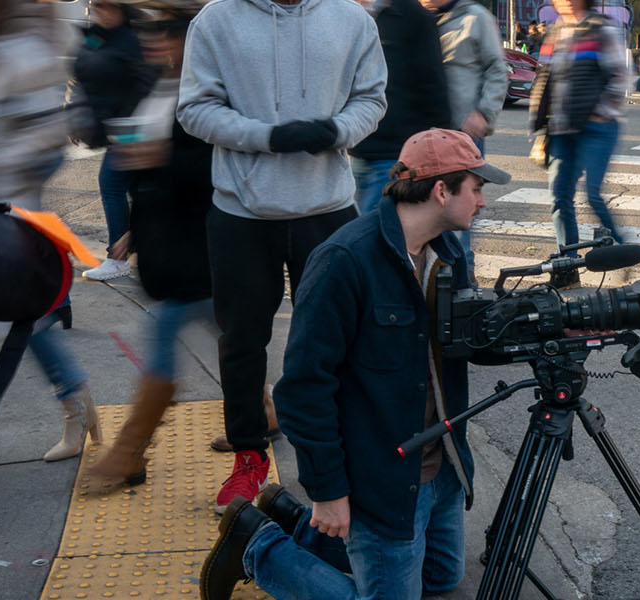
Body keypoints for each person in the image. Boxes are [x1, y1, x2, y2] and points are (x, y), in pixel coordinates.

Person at [199, 129, 512, 600]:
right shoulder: (345, 261)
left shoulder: (447, 253)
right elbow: (302, 389)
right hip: (381, 477)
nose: (483, 202)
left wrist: (536, 326)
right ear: (442, 190)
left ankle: (289, 519)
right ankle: (257, 546)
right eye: (477, 188)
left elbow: (462, 341)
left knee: (442, 579)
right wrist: (328, 492)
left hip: (441, 465)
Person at [177, 0, 387, 513]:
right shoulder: (216, 20)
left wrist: (336, 131)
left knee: (340, 342)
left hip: (328, 207)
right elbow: (194, 108)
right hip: (241, 211)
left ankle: (346, 458)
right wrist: (266, 138)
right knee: (243, 342)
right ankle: (249, 457)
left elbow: (372, 98)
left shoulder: (352, 19)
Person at [0, 0, 99, 463]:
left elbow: (50, 144)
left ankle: (77, 405)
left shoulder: (24, 54)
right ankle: (77, 401)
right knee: (26, 322)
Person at [87, 0, 217, 486]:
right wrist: (133, 231)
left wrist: (160, 157)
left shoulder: (208, 88)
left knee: (166, 338)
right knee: (227, 337)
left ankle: (130, 453)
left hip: (197, 246)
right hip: (168, 245)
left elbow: (221, 167)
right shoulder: (163, 82)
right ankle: (265, 409)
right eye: (152, 27)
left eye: (167, 29)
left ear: (191, 37)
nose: (153, 36)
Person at [529, 0, 632, 279]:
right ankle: (568, 266)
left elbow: (621, 78)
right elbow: (544, 79)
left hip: (596, 127)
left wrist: (600, 112)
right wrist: (539, 124)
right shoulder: (555, 31)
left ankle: (623, 252)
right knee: (560, 196)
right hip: (561, 128)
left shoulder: (600, 30)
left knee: (593, 195)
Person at [72, 0, 158, 282]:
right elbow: (82, 74)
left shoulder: (132, 40)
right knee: (135, 190)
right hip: (110, 128)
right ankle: (143, 250)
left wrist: (125, 122)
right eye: (95, 6)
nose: (98, 11)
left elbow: (147, 83)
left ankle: (117, 258)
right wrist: (78, 115)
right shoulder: (98, 37)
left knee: (111, 187)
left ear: (120, 8)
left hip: (130, 130)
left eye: (104, 6)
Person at [424, 0, 509, 283]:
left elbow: (497, 69)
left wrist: (484, 114)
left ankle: (462, 276)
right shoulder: (415, 17)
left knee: (460, 211)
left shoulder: (475, 18)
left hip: (464, 135)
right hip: (425, 137)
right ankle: (434, 276)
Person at [350, 0, 453, 215]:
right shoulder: (351, 14)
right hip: (356, 149)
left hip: (394, 153)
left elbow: (433, 85)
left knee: (379, 233)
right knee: (359, 231)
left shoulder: (414, 16)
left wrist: (442, 144)